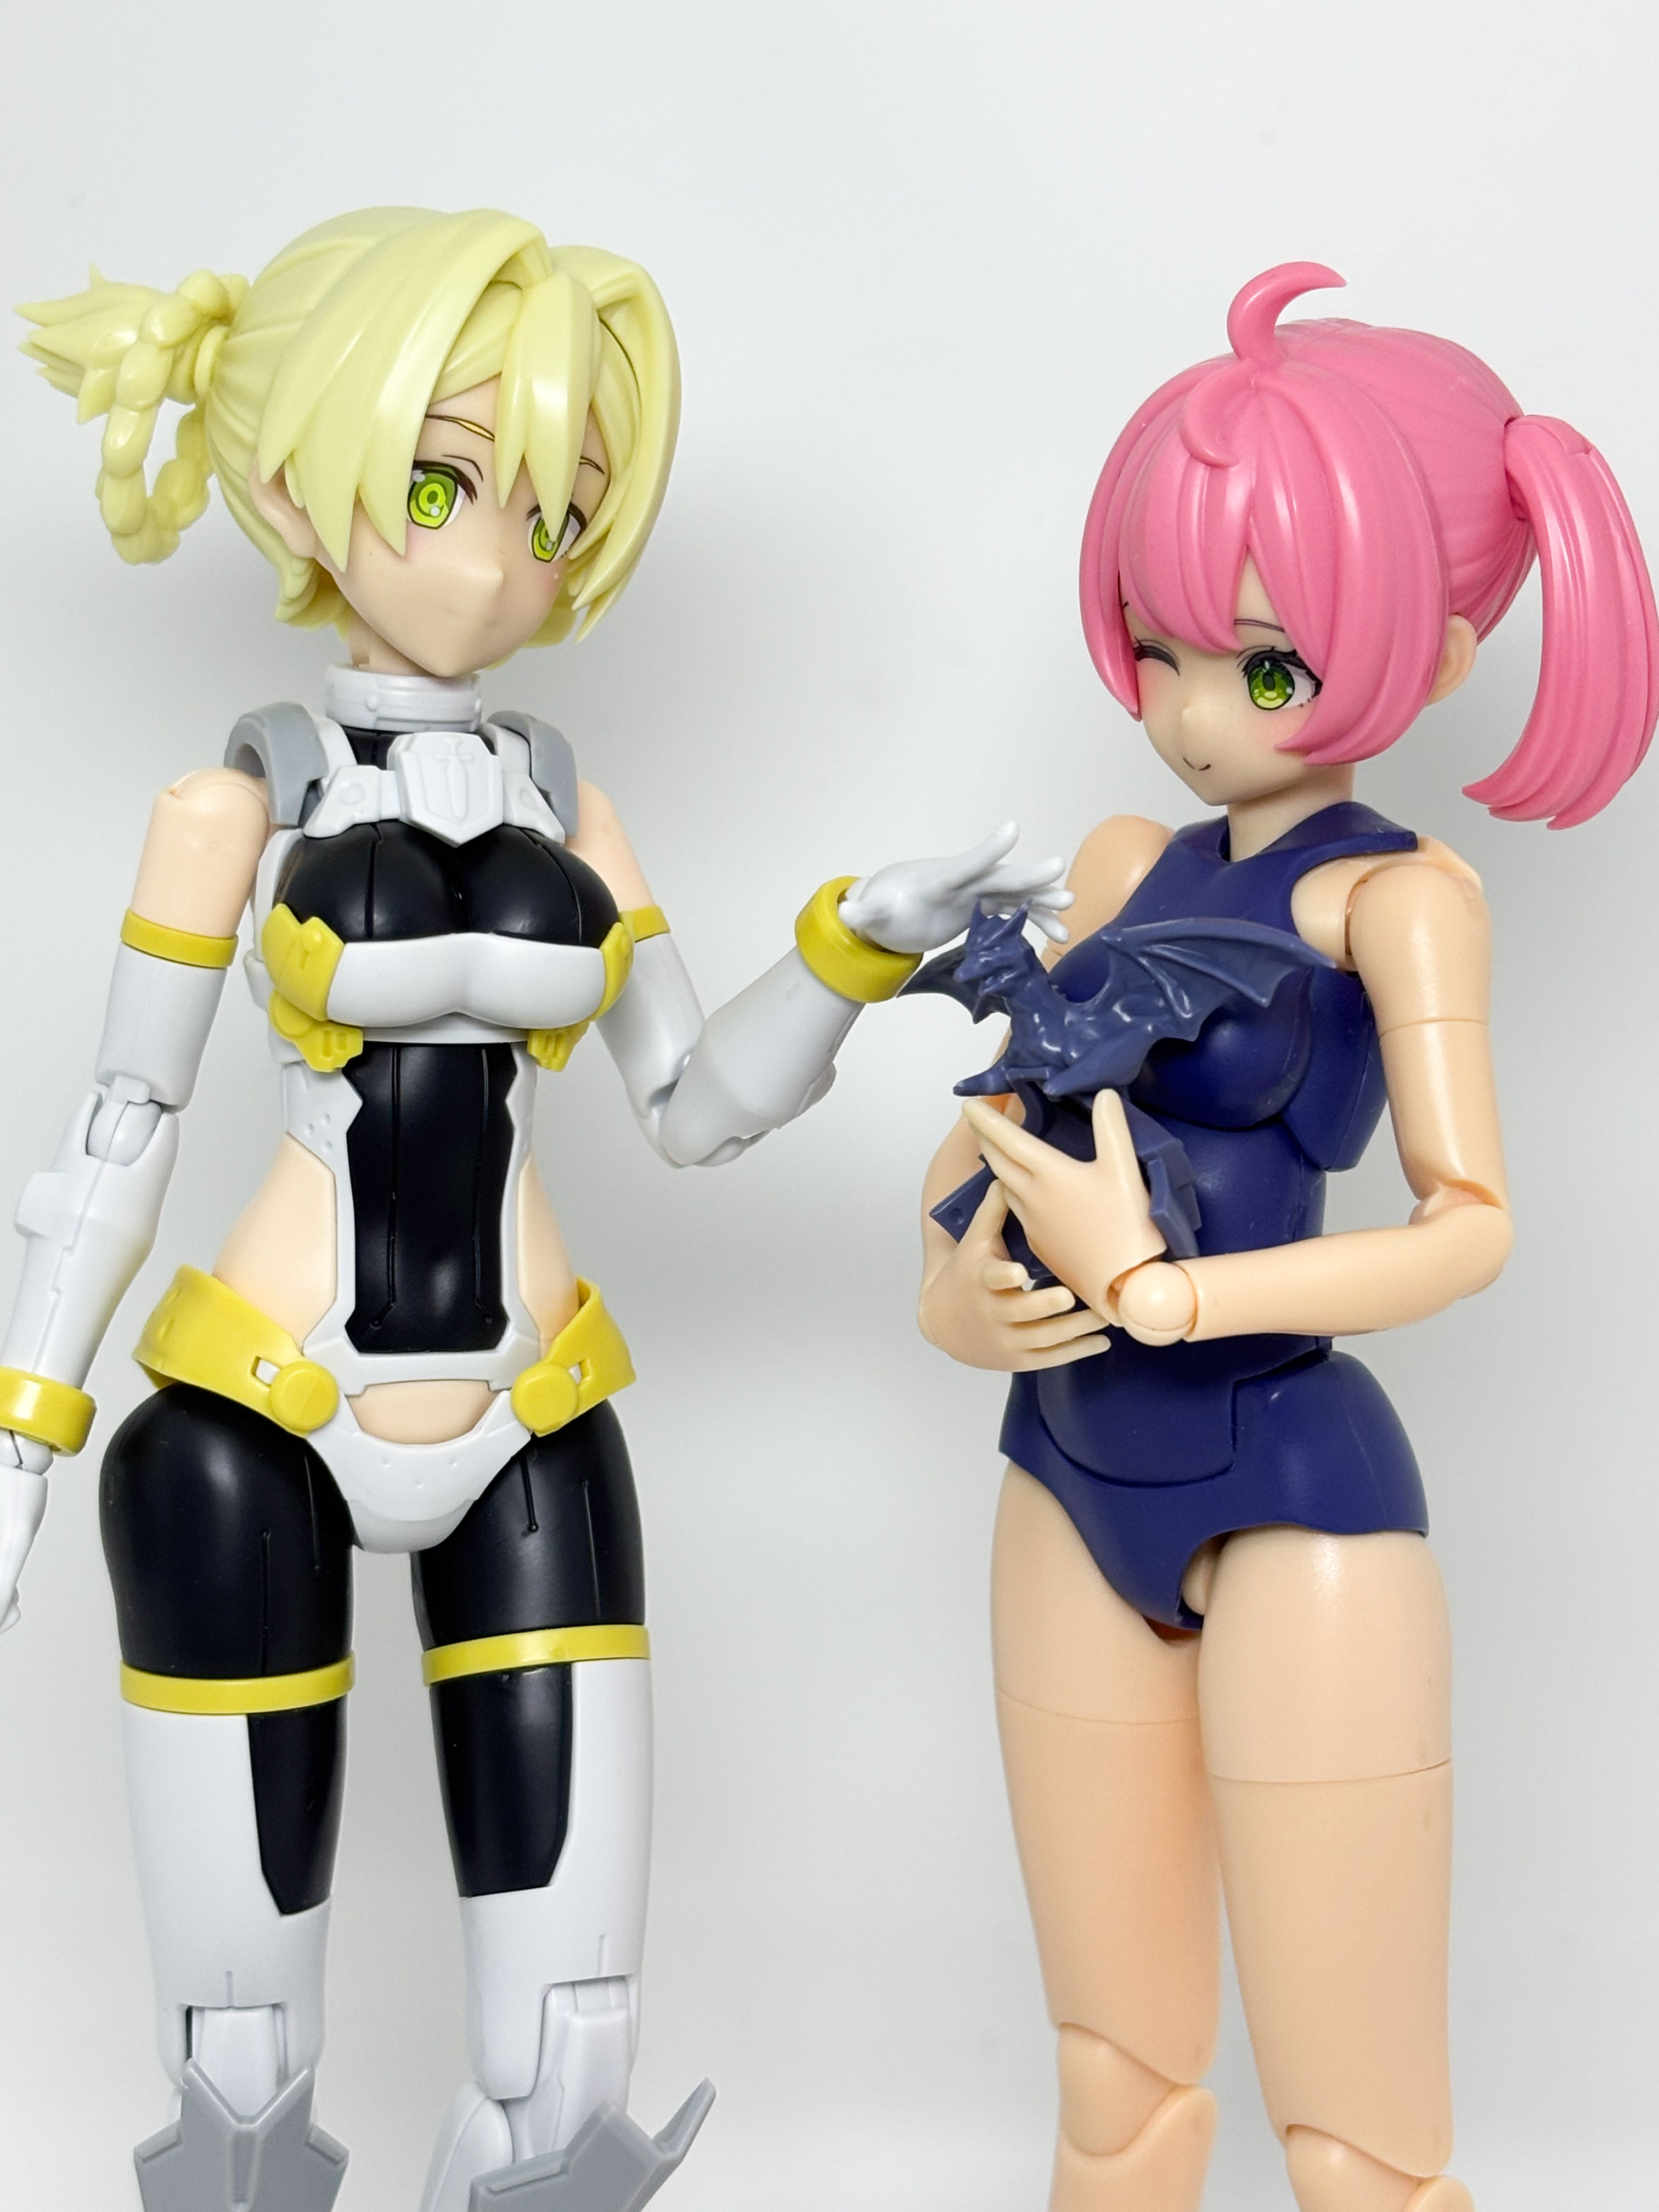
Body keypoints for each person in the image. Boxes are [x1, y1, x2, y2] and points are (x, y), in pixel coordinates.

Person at [0, 204, 1066, 2212]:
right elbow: (122, 1121)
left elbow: (691, 1103)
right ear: (285, 474)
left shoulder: (571, 801)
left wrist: (855, 947)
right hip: (256, 1425)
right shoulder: (242, 804)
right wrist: (23, 1434)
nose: (498, 564)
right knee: (239, 2068)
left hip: (531, 1420)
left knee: (569, 2060)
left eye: (557, 513)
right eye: (439, 485)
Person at [916, 262, 1656, 2212]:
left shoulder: (1397, 906)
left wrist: (1168, 1291)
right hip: (1064, 1466)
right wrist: (956, 1286)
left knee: (1357, 2138)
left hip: (1291, 1486)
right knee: (1114, 2079)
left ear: (1442, 648)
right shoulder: (1119, 869)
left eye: (1257, 668)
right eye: (1159, 646)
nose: (1186, 715)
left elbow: (1469, 1227)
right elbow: (989, 1133)